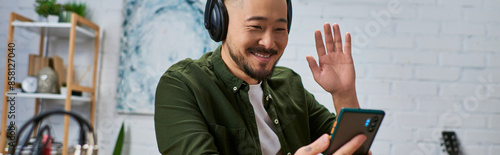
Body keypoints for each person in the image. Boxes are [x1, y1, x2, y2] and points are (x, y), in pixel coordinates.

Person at [154, 0, 369, 154]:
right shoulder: (182, 85)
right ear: (220, 24)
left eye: (279, 29)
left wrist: (344, 94)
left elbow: (354, 149)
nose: (268, 42)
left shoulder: (290, 84)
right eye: (255, 27)